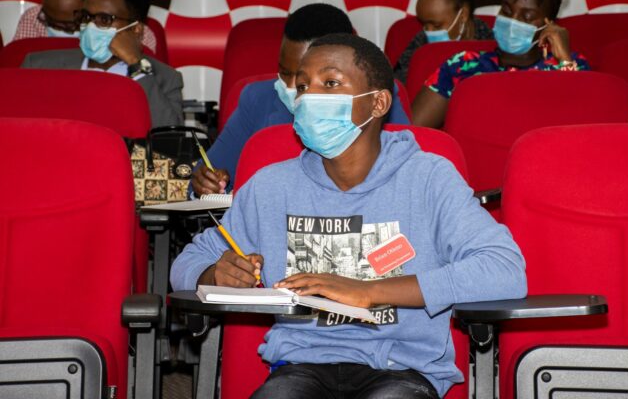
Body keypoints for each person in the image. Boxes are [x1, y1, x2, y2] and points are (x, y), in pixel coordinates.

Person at [171, 33, 527, 398]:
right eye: (303, 86)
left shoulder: (429, 178)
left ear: (377, 103)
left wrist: (368, 292)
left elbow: (504, 270)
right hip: (300, 367)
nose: (310, 97)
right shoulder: (270, 186)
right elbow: (186, 263)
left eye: (330, 83)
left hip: (401, 370)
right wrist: (216, 272)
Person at [191, 3, 410, 197]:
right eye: (286, 73)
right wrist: (206, 183)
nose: (294, 88)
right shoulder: (258, 100)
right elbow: (204, 175)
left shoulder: (372, 100)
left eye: (311, 79)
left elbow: (405, 181)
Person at [412, 0, 589, 128]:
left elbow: (581, 128)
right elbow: (410, 131)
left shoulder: (572, 66)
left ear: (548, 25)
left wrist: (564, 61)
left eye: (526, 17)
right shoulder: (462, 64)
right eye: (506, 10)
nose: (512, 21)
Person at [22, 0, 182, 128]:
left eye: (104, 19)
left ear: (136, 30)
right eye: (86, 17)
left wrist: (136, 65)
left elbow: (170, 143)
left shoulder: (166, 78)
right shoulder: (38, 66)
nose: (91, 26)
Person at [393, 0, 492, 84]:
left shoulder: (491, 48)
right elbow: (397, 87)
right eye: (424, 24)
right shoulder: (420, 42)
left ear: (463, 15)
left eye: (436, 25)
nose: (429, 32)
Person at [13, 0, 158, 51]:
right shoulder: (33, 17)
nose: (57, 28)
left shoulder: (137, 33)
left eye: (69, 25)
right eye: (50, 21)